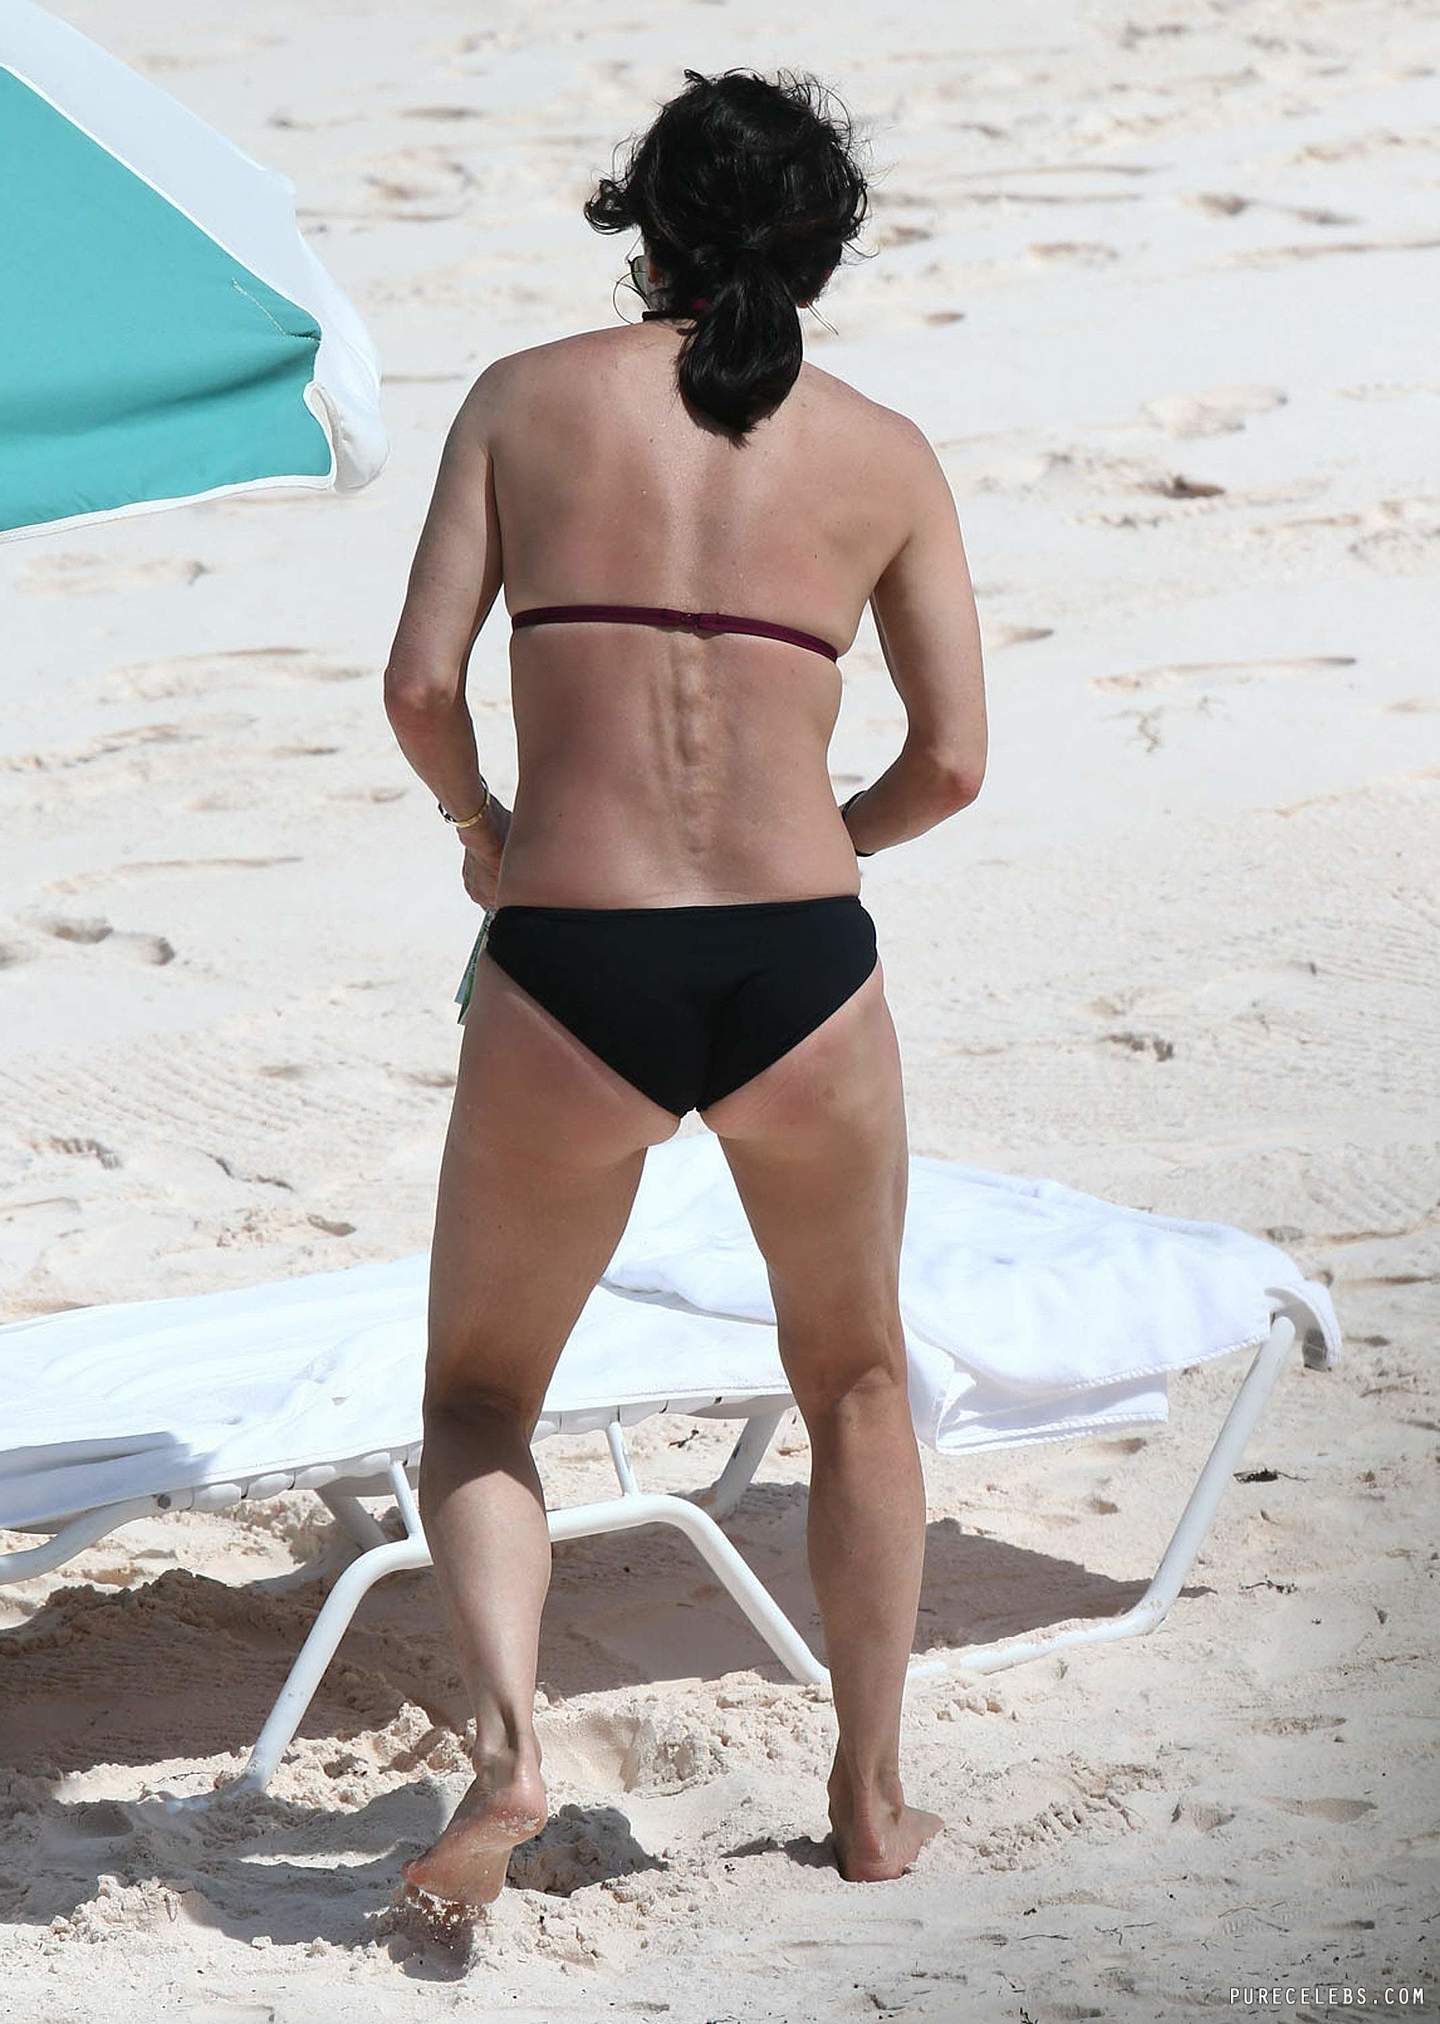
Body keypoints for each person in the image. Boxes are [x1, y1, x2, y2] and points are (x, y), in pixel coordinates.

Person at [382, 66, 987, 1920]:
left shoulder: (524, 399)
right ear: (822, 246)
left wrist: (486, 832)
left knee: (482, 1396)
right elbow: (954, 762)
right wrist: (825, 851)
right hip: (800, 965)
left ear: (642, 222)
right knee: (857, 1375)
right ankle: (870, 1798)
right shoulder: (885, 451)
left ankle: (509, 1754)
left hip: (574, 954)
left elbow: (420, 686)